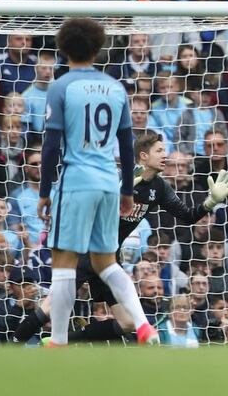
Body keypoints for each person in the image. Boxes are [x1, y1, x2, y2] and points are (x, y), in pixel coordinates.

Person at [33, 19, 156, 346]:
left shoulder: (61, 87)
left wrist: (45, 192)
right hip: (107, 182)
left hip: (77, 180)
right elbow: (129, 143)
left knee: (63, 262)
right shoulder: (116, 87)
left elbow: (50, 146)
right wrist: (127, 189)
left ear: (63, 48)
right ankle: (144, 326)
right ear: (98, 48)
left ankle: (58, 342)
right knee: (105, 262)